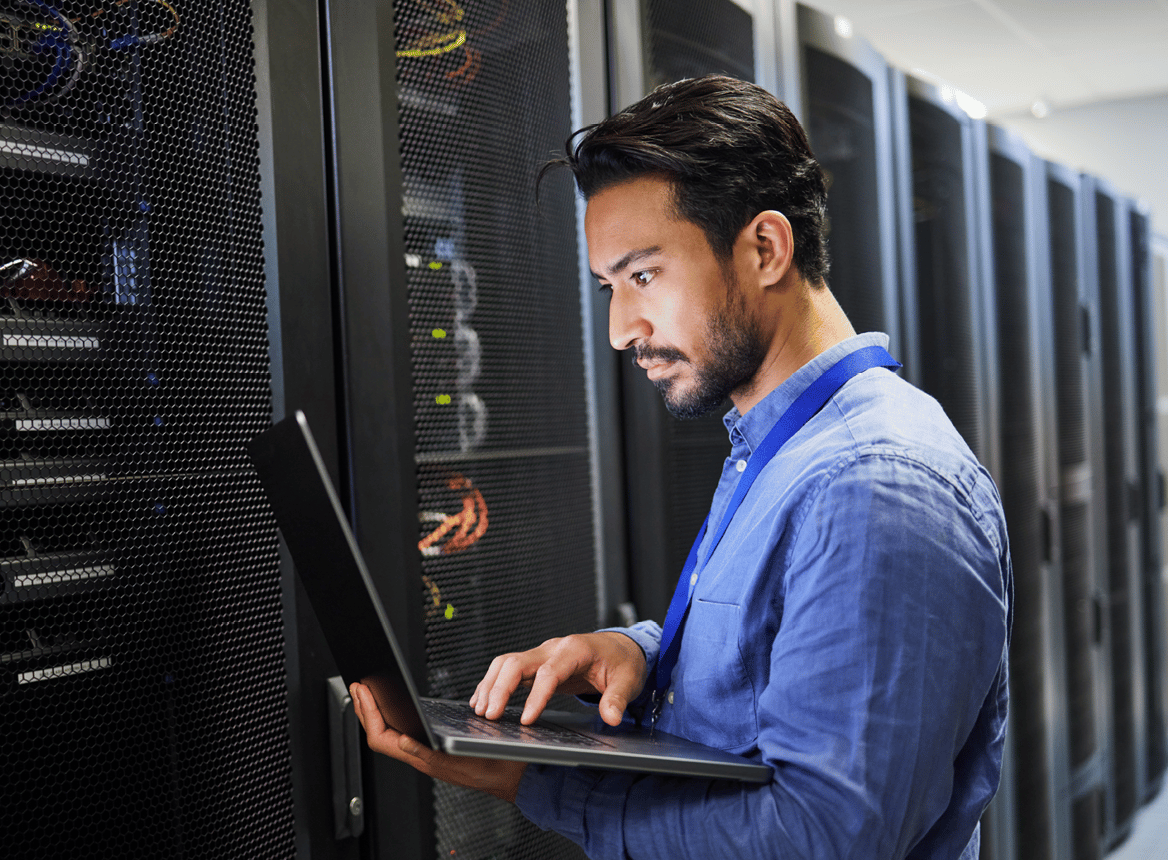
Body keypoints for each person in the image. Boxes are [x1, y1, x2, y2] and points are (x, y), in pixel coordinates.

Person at [349, 74, 1011, 859]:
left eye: (643, 275)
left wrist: (541, 784)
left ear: (765, 249)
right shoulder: (785, 449)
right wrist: (643, 654)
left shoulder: (876, 487)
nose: (620, 329)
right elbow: (777, 651)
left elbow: (822, 838)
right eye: (608, 287)